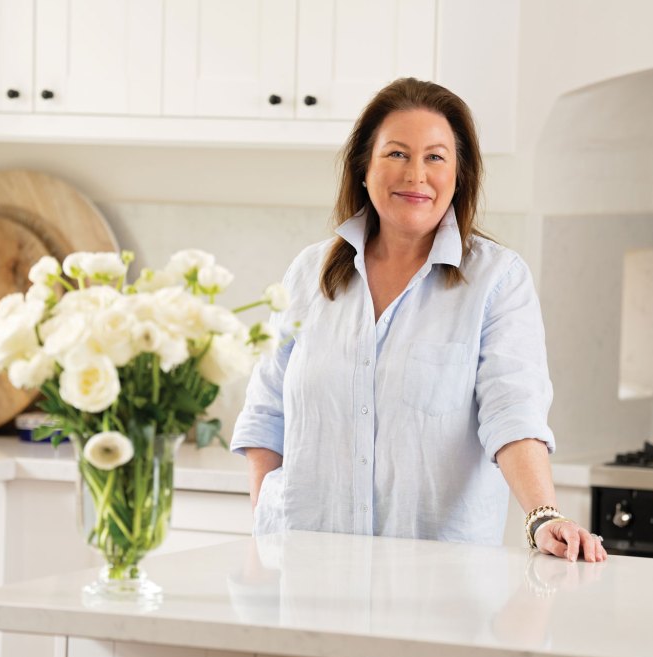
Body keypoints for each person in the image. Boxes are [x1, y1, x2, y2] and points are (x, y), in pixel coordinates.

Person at [230, 77, 606, 562]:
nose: (415, 175)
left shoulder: (497, 280)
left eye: (435, 157)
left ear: (458, 175)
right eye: (396, 154)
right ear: (364, 167)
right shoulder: (309, 272)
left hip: (440, 584)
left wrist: (542, 515)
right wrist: (270, 522)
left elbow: (512, 412)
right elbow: (266, 411)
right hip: (303, 574)